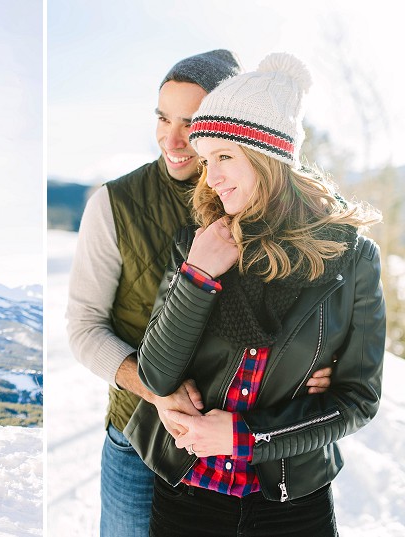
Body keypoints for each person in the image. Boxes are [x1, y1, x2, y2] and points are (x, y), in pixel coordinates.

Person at [66, 50, 333, 535]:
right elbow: (85, 328)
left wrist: (322, 358)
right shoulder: (115, 203)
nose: (173, 139)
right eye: (162, 117)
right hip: (136, 431)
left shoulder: (264, 202)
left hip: (232, 450)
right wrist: (155, 391)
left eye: (190, 122)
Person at [125, 52, 385, 537]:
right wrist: (197, 276)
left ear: (270, 159)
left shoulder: (351, 258)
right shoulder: (198, 243)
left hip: (292, 500)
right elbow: (156, 373)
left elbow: (358, 399)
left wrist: (247, 436)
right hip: (188, 489)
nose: (212, 177)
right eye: (206, 161)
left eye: (225, 156)